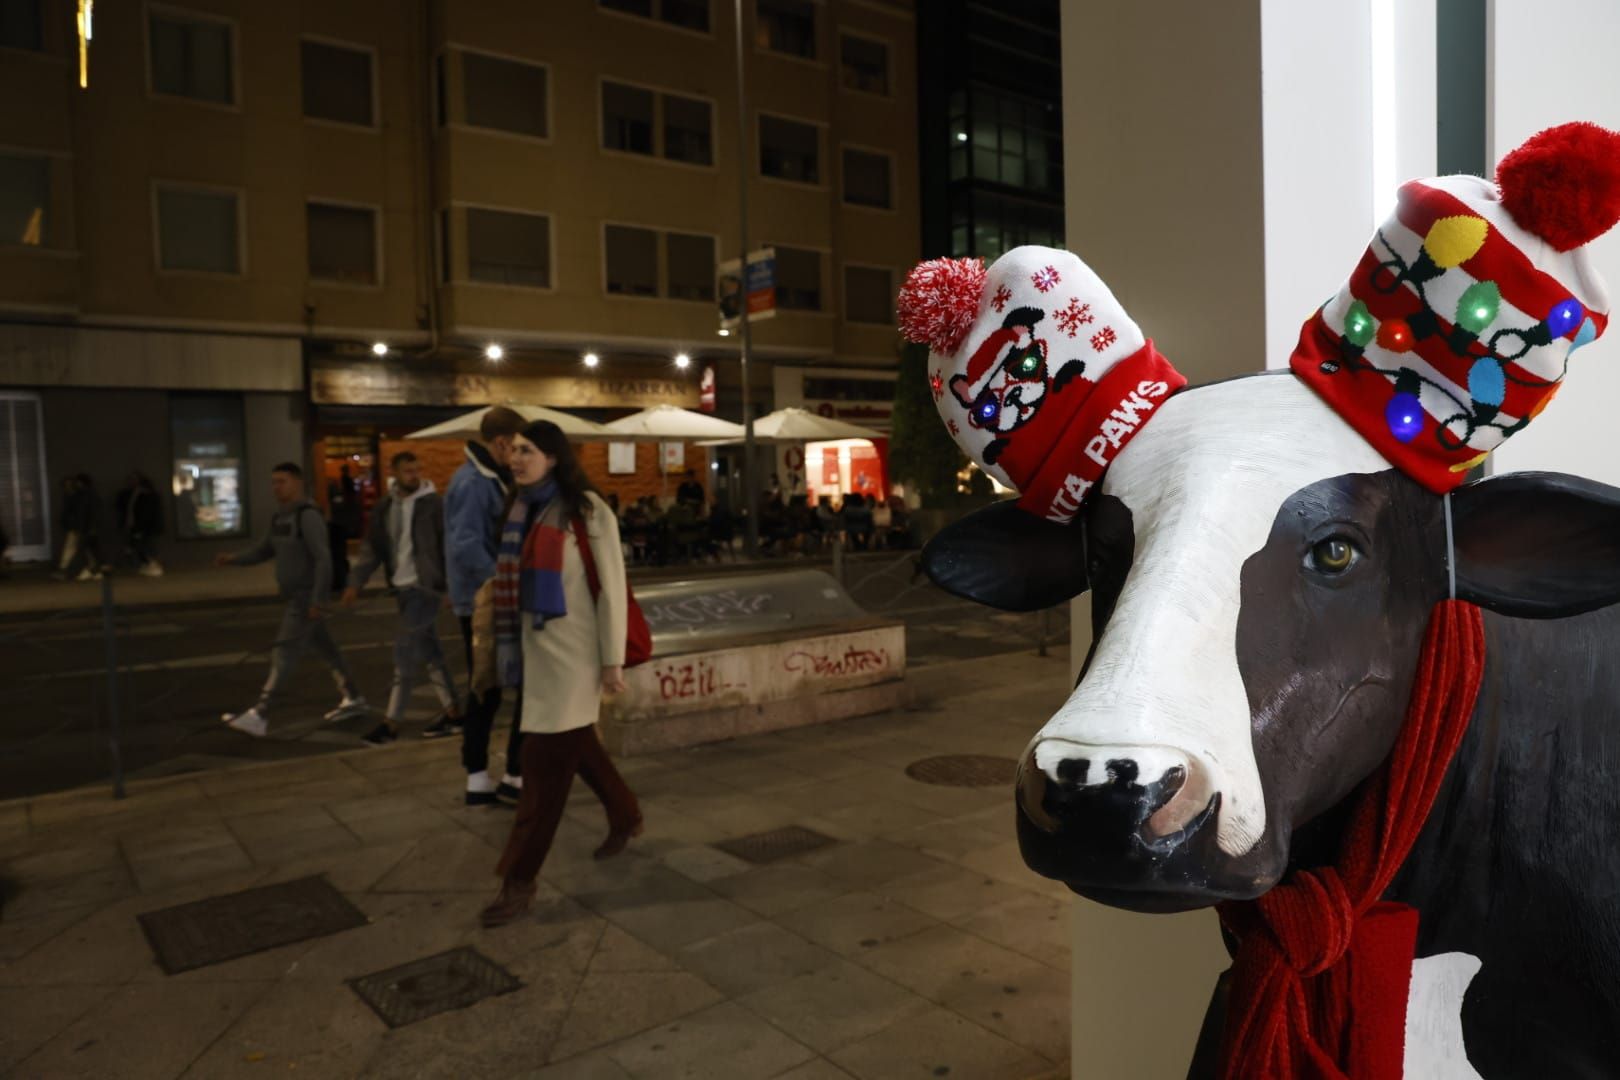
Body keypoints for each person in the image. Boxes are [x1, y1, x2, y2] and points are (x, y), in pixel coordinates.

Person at [482, 420, 642, 928]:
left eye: (527, 450)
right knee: (580, 751)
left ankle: (518, 881)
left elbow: (611, 589)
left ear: (553, 457)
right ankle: (626, 815)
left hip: (575, 660)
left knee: (542, 776)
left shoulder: (586, 511)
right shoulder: (521, 509)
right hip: (536, 658)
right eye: (513, 450)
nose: (516, 458)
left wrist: (611, 661)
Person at [216, 463, 368, 737]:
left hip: (305, 598)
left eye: (282, 481)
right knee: (328, 651)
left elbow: (323, 559)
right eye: (273, 482)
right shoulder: (279, 518)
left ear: (297, 483)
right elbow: (264, 550)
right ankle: (354, 697)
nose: (276, 487)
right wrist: (234, 559)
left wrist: (318, 599)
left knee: (283, 653)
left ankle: (260, 714)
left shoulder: (307, 516)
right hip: (296, 598)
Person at [342, 452, 461, 747]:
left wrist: (452, 587)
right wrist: (355, 582)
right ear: (394, 472)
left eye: (416, 469)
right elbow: (373, 549)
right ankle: (455, 712)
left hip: (425, 588)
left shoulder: (434, 504)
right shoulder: (385, 506)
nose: (413, 475)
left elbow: (449, 546)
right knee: (430, 652)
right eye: (407, 470)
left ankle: (391, 723)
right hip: (402, 590)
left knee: (404, 653)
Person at [446, 406, 526, 805]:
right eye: (518, 447)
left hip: (484, 598)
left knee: (489, 688)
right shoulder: (476, 483)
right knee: (489, 687)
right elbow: (465, 546)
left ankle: (492, 776)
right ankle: (495, 775)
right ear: (500, 443)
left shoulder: (487, 479)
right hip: (484, 601)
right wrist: (503, 581)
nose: (520, 455)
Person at [54, 474, 103, 581]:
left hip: (83, 527)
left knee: (83, 549)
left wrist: (89, 527)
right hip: (82, 527)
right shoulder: (82, 496)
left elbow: (88, 513)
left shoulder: (85, 496)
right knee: (86, 549)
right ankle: (94, 570)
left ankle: (92, 570)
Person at [115, 471, 164, 576]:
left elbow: (145, 513)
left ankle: (152, 565)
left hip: (143, 527)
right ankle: (148, 565)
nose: (131, 483)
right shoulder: (133, 494)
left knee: (142, 546)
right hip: (138, 526)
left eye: (134, 480)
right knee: (138, 546)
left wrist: (139, 527)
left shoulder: (146, 495)